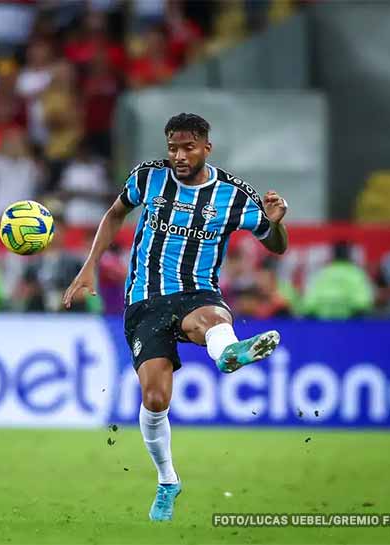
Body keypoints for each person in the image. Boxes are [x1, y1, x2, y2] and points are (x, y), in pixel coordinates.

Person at [63, 113, 289, 522]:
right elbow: (115, 213)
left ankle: (227, 353)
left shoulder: (234, 195)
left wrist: (275, 223)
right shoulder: (149, 178)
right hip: (145, 299)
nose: (179, 156)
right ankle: (168, 480)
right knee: (155, 398)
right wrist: (89, 265)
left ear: (206, 147)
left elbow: (275, 246)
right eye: (173, 148)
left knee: (210, 320)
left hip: (197, 292)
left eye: (188, 148)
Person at [301, 241, 374, 320]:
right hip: (351, 326)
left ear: (332, 256)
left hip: (322, 326)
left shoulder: (321, 273)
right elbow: (363, 303)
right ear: (349, 256)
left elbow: (308, 305)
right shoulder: (357, 273)